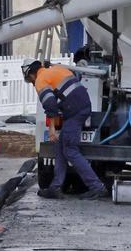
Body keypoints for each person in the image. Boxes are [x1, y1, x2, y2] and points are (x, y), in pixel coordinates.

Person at [22, 59, 109, 200]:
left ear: (31, 75)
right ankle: (55, 188)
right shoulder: (57, 70)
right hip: (81, 107)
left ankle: (97, 187)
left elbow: (50, 105)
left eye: (30, 80)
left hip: (75, 112)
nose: (32, 83)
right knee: (60, 146)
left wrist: (52, 129)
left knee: (69, 149)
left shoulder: (40, 80)